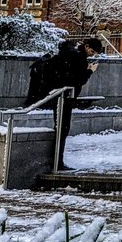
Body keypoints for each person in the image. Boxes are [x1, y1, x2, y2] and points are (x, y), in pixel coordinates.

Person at [41, 37, 102, 170]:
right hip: (64, 96)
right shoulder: (78, 57)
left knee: (60, 127)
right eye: (92, 51)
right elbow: (78, 79)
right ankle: (57, 162)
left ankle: (57, 161)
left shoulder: (69, 54)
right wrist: (90, 70)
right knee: (62, 128)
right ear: (86, 46)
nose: (93, 54)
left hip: (59, 94)